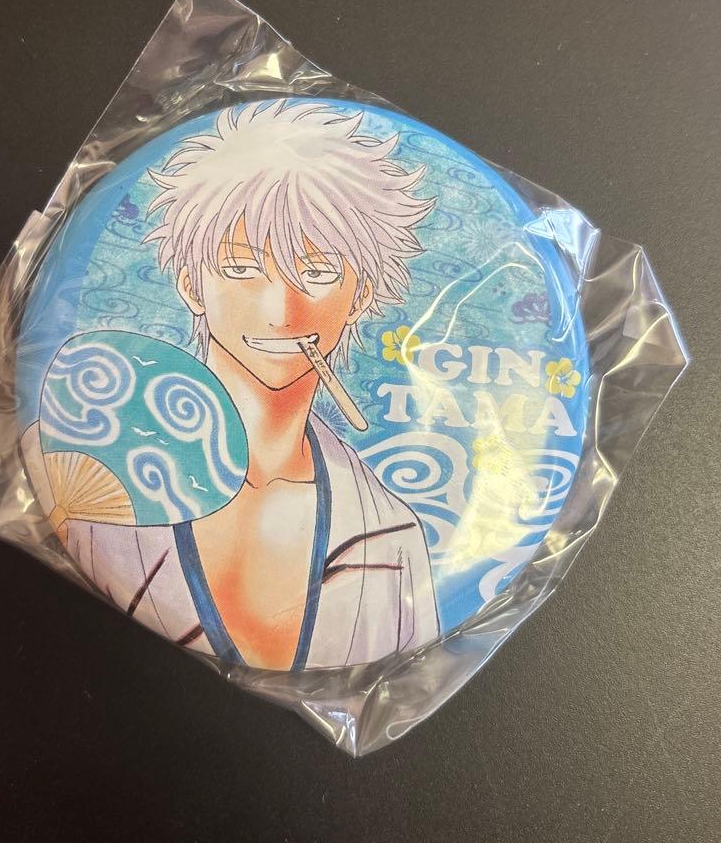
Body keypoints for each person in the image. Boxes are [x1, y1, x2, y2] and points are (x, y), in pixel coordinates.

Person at [26, 99, 440, 670]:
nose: (281, 311)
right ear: (190, 284)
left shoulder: (391, 536)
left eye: (317, 271)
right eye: (241, 268)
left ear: (361, 294)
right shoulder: (78, 453)